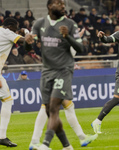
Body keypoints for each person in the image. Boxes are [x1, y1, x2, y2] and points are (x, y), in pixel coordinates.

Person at [29, 0, 97, 150]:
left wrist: (67, 37)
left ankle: (45, 143)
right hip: (47, 71)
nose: (63, 6)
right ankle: (67, 145)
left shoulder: (70, 24)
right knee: (49, 110)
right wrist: (27, 42)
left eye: (63, 3)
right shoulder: (39, 24)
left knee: (53, 108)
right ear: (49, 6)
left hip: (63, 71)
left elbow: (81, 48)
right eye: (59, 3)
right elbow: (29, 45)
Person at [0, 17, 34, 147]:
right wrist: (26, 32)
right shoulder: (7, 32)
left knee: (7, 99)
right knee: (7, 101)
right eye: (14, 29)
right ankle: (1, 136)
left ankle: (2, 137)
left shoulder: (2, 32)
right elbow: (27, 42)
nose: (15, 32)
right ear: (9, 27)